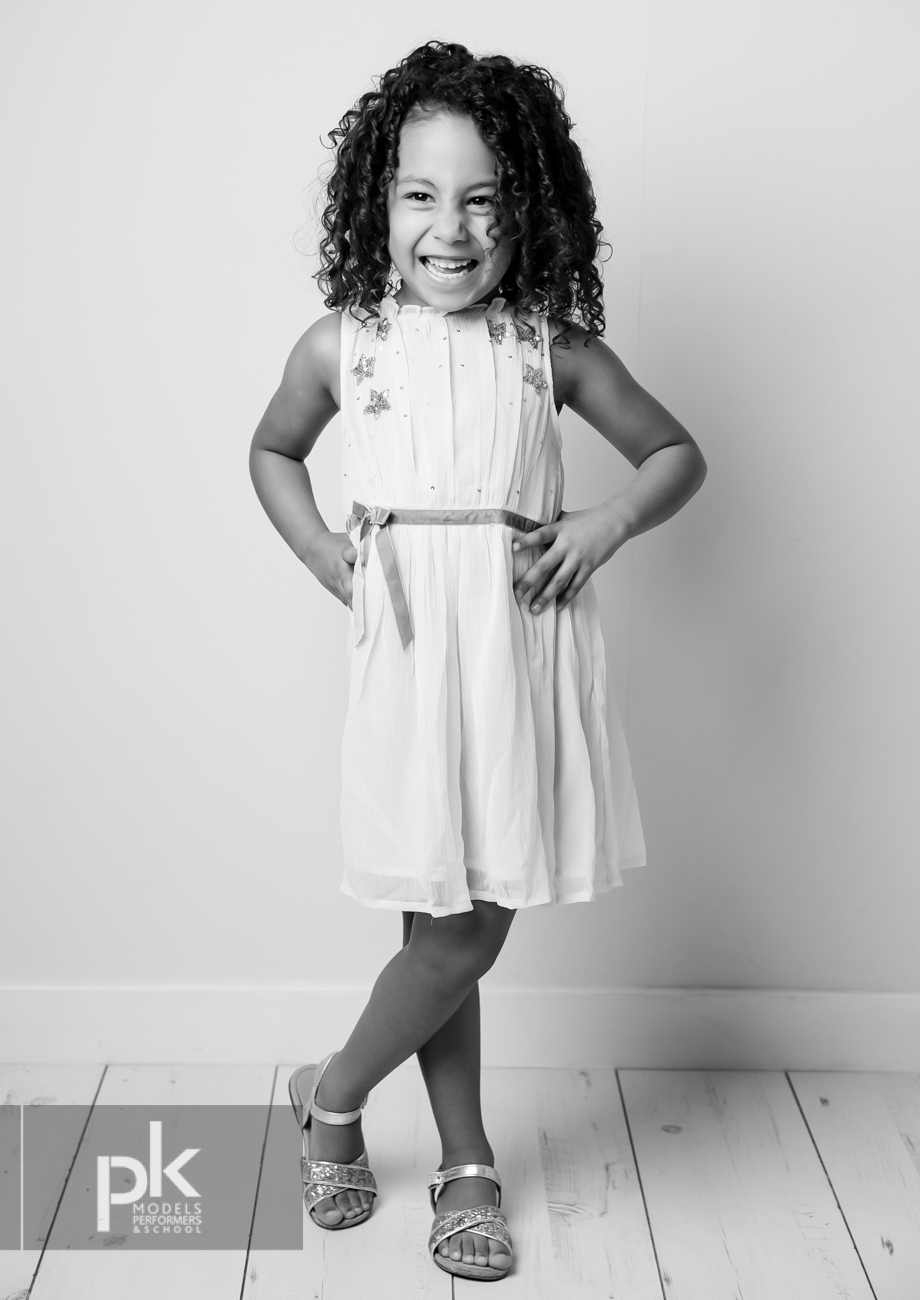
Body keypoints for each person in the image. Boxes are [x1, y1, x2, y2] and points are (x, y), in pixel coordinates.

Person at [249, 40, 706, 1283]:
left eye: (482, 198)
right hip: (407, 653)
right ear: (376, 202)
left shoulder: (547, 347)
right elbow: (273, 452)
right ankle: (460, 1157)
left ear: (528, 209)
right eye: (419, 194)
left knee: (464, 925)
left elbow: (674, 453)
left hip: (516, 651)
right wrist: (323, 554)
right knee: (441, 920)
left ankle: (330, 1093)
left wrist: (604, 524)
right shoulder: (343, 343)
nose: (447, 229)